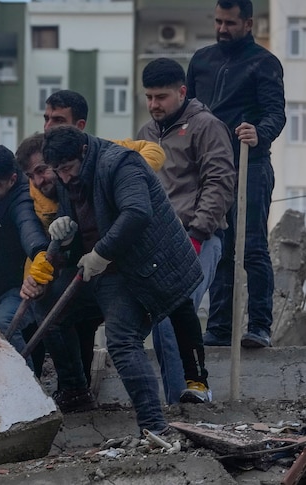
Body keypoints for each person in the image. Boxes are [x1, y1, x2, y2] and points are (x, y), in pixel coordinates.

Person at [22, 125, 202, 433]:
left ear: (82, 152)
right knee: (46, 311)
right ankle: (76, 391)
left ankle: (154, 427)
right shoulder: (66, 175)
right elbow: (78, 225)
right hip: (98, 269)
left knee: (122, 340)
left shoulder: (120, 163)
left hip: (138, 269)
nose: (62, 178)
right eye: (57, 171)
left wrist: (101, 253)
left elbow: (137, 213)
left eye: (66, 169)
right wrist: (65, 234)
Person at [187, 0, 286, 348]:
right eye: (218, 21)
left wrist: (259, 132)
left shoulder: (264, 63)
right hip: (210, 170)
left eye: (229, 23)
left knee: (252, 248)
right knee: (219, 247)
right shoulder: (201, 60)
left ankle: (259, 327)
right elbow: (190, 111)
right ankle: (218, 329)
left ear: (248, 24)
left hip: (251, 165)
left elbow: (277, 113)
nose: (222, 29)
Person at [137, 58, 236, 404]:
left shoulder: (207, 126)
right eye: (148, 97)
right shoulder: (145, 135)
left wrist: (195, 234)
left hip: (199, 240)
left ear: (182, 92)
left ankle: (192, 394)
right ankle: (176, 400)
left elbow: (220, 183)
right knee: (159, 324)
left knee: (171, 318)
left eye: (161, 97)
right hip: (155, 247)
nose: (153, 105)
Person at [0, 144, 50, 363]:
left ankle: (27, 388)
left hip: (23, 287)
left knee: (3, 323)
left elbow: (28, 227)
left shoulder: (23, 197)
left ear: (13, 179)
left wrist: (39, 252)